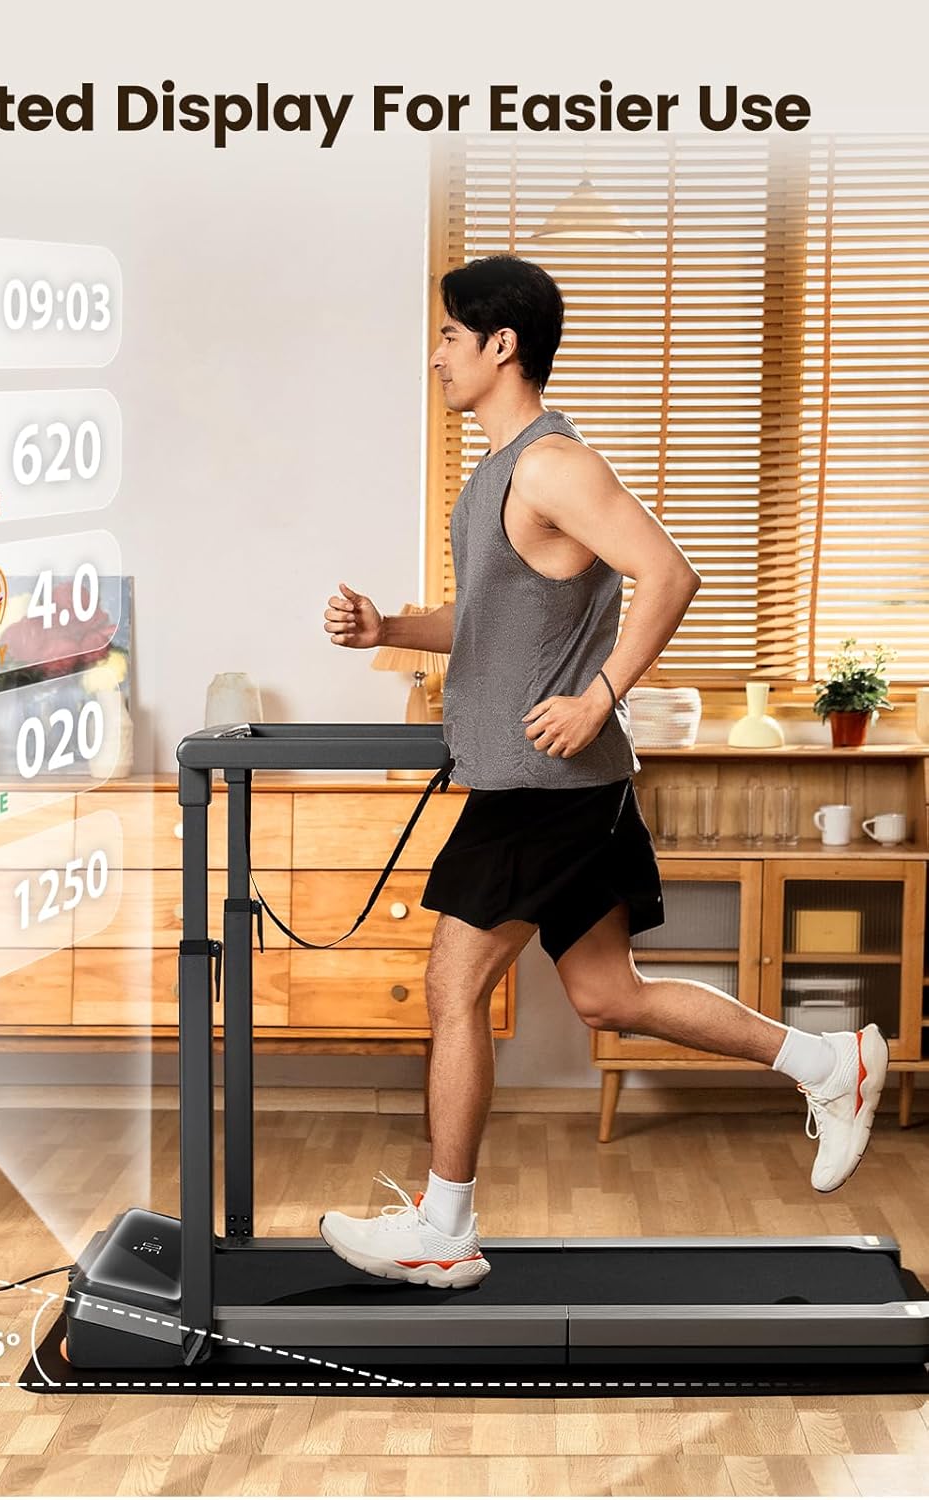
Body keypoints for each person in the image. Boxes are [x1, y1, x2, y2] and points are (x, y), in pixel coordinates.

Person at [318, 253, 888, 1289]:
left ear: (501, 346)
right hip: (551, 789)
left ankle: (445, 1229)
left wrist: (600, 694)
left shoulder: (549, 464)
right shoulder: (495, 474)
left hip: (545, 788)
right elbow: (488, 623)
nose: (436, 353)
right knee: (607, 995)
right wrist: (389, 626)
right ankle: (828, 1062)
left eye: (451, 335)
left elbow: (670, 571)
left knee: (451, 988)